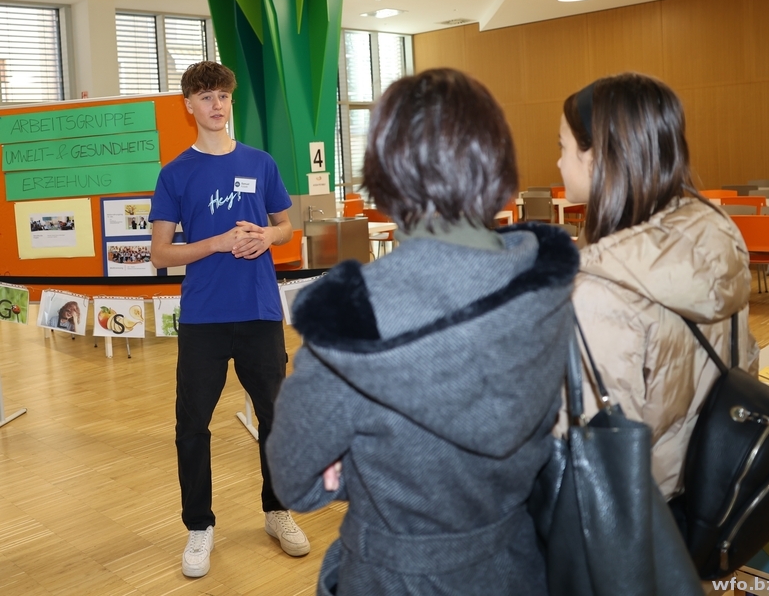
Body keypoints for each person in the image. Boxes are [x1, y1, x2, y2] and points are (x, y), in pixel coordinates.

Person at [267, 68, 580, 595]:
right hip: (518, 564)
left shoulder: (353, 319)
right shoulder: (545, 282)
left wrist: (351, 466)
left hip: (393, 577)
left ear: (386, 166)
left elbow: (295, 480)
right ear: (496, 158)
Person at [553, 72, 759, 502]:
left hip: (642, 510)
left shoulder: (599, 291)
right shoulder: (715, 239)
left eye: (563, 147)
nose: (557, 163)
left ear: (597, 158)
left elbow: (592, 456)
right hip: (713, 484)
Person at [148, 60, 309, 579]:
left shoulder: (260, 163)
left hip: (259, 311)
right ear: (189, 106)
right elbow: (160, 253)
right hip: (204, 318)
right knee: (192, 425)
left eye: (222, 96)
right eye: (206, 97)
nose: (216, 105)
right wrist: (216, 242)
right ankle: (199, 525)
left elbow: (286, 227)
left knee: (275, 419)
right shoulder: (175, 173)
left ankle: (277, 511)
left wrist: (267, 236)